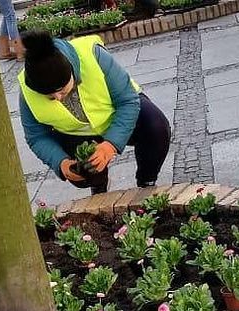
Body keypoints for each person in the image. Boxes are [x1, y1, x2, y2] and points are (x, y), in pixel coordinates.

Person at [19, 30, 171, 195]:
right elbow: (36, 137)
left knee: (156, 127)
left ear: (72, 72)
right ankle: (97, 186)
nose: (57, 98)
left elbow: (127, 101)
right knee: (83, 172)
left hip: (119, 116)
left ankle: (146, 182)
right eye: (49, 96)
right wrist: (61, 162)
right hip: (77, 136)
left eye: (61, 91)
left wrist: (110, 145)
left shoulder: (93, 55)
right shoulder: (27, 90)